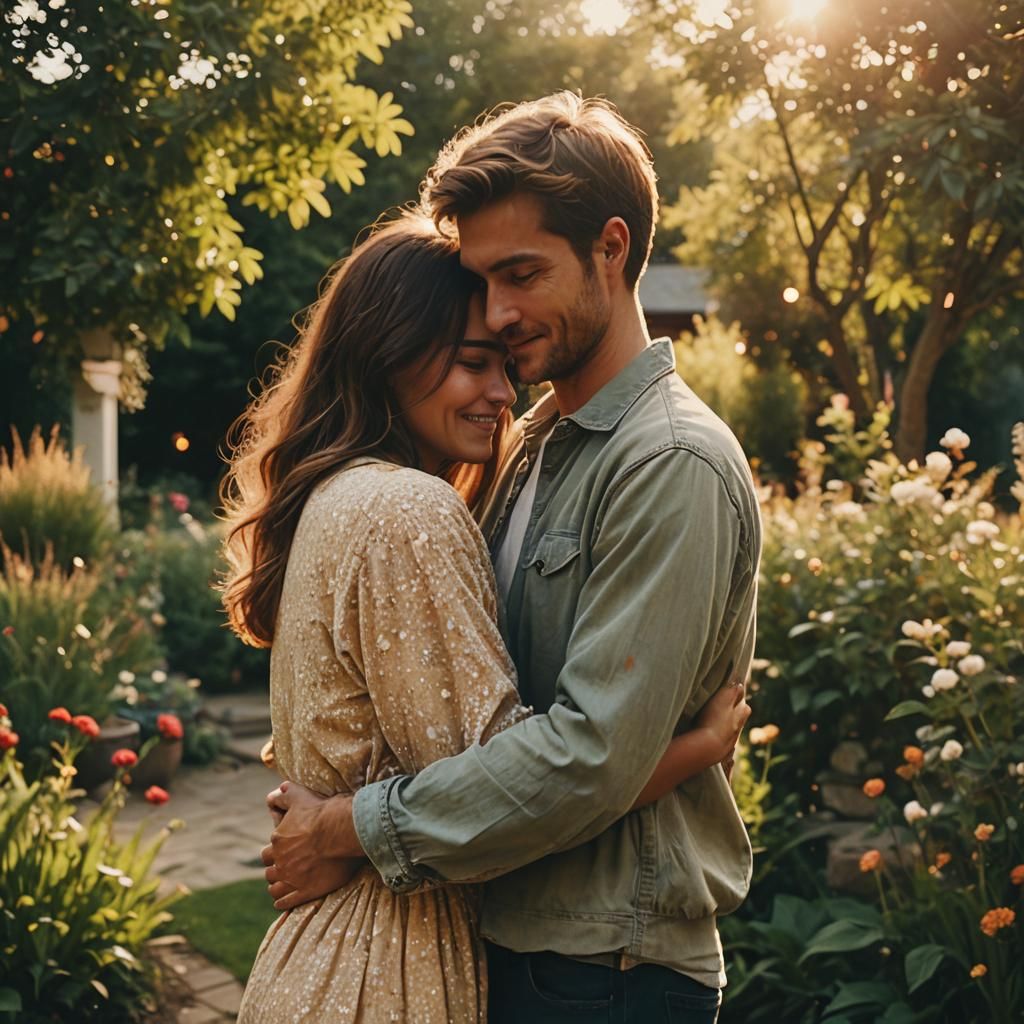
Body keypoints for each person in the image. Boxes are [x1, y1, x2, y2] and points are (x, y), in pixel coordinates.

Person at [264, 92, 762, 1023]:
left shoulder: (669, 462)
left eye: (522, 274)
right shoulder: (531, 443)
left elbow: (589, 756)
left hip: (606, 968)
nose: (499, 312)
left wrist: (347, 827)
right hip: (518, 947)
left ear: (611, 248)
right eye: (484, 281)